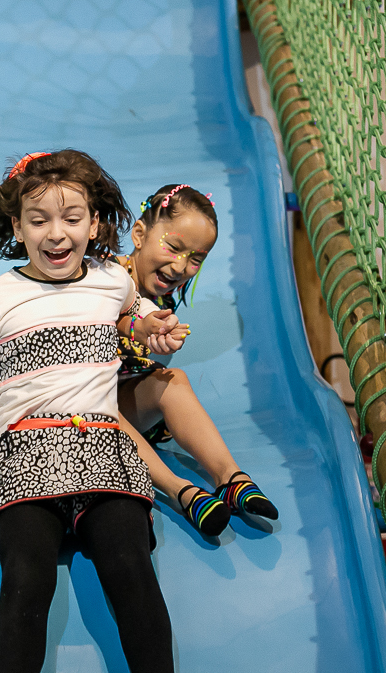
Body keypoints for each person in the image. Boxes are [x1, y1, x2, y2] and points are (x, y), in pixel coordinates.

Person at [0, 150, 183, 673]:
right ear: (17, 226)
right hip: (26, 450)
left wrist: (154, 330)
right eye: (39, 219)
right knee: (25, 578)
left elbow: (135, 320)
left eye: (72, 218)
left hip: (101, 445)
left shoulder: (111, 282)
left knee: (129, 568)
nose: (56, 233)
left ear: (95, 224)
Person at [115, 184, 279, 538]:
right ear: (139, 235)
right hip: (78, 412)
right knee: (98, 401)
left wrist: (162, 344)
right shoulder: (103, 279)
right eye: (174, 247)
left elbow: (146, 364)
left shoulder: (163, 302)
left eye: (196, 259)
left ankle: (231, 479)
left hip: (124, 408)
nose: (181, 266)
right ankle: (181, 491)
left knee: (173, 380)